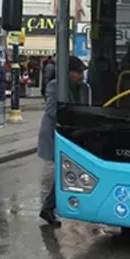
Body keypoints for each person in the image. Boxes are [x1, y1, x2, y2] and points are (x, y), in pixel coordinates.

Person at [38, 56, 89, 227]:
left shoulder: (83, 88)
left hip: (75, 135)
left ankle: (49, 207)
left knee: (65, 172)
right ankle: (49, 207)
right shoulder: (55, 86)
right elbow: (52, 111)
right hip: (57, 135)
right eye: (77, 73)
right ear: (68, 73)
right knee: (63, 172)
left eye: (82, 72)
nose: (81, 76)